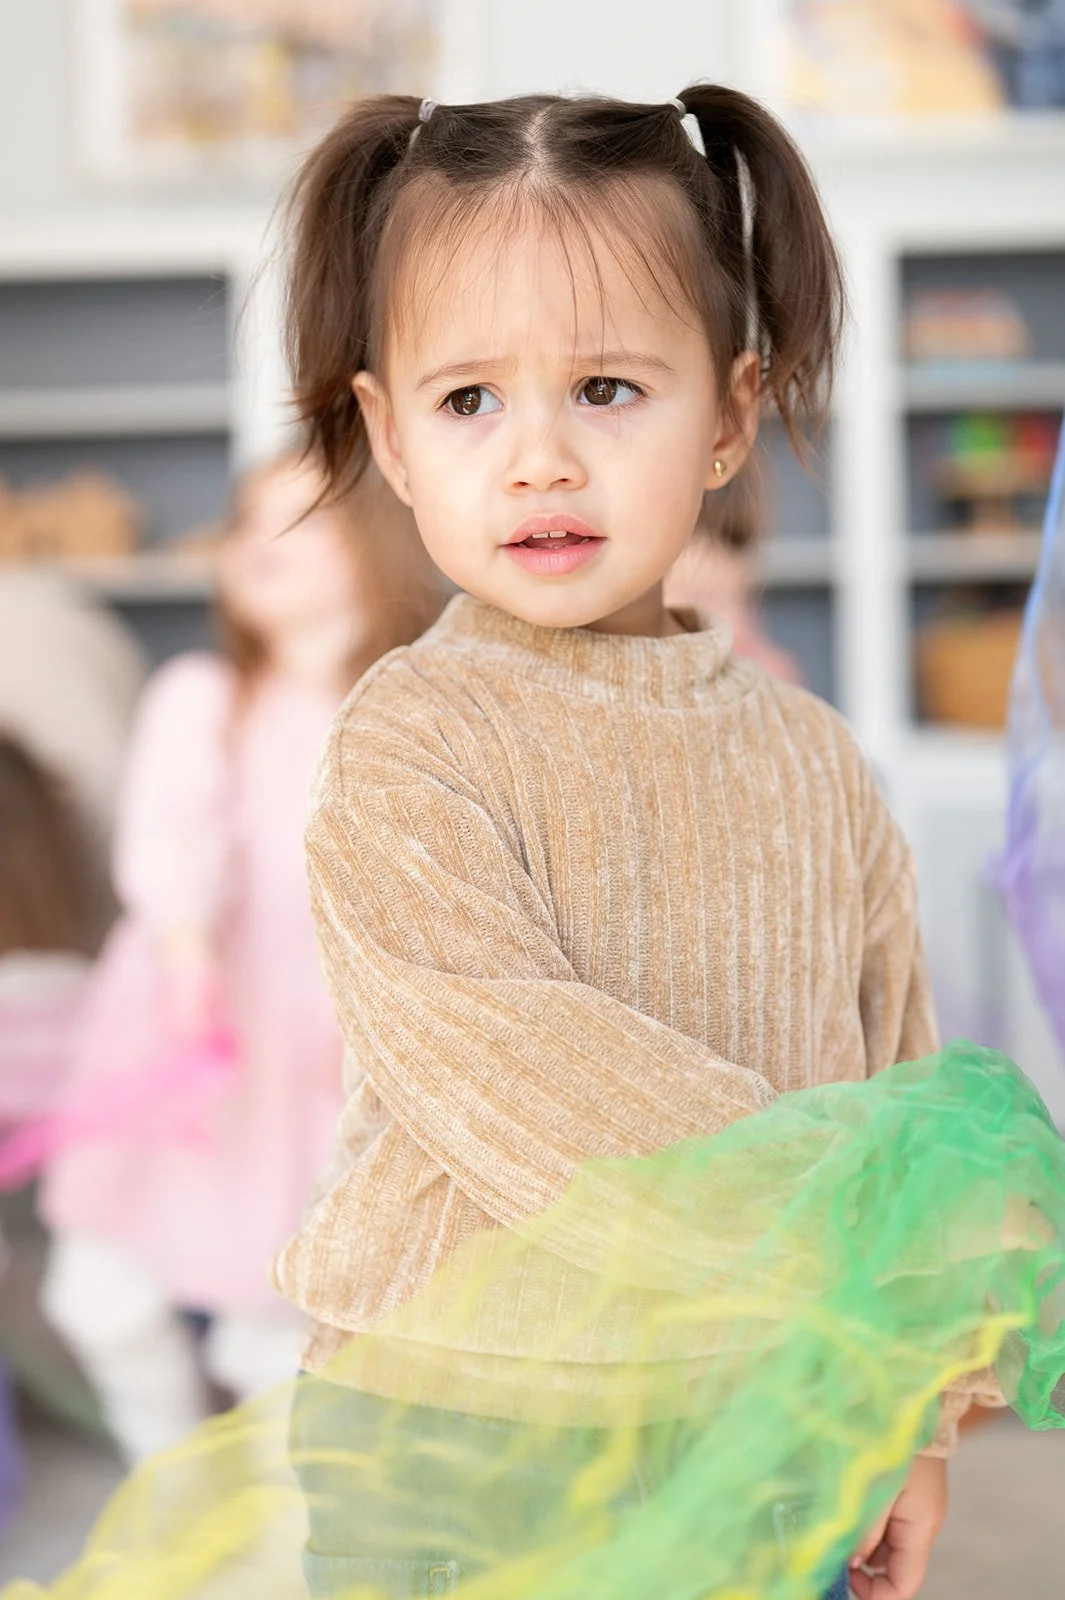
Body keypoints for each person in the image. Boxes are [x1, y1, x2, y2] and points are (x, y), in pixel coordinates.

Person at [272, 88, 959, 1600]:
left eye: (604, 388)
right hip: (464, 1432)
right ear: (387, 434)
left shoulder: (810, 758)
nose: (538, 460)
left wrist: (915, 1394)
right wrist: (821, 1234)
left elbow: (898, 1083)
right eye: (469, 402)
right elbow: (517, 1067)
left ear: (726, 415)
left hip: (769, 1414)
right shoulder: (412, 745)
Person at [40, 455, 443, 1464]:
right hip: (190, 1039)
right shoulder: (204, 695)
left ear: (378, 549)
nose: (261, 541)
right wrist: (184, 962)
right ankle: (169, 1481)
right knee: (100, 1290)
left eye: (301, 522)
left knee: (282, 1321)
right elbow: (173, 842)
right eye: (248, 520)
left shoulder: (412, 721)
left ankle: (269, 1526)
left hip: (320, 1060)